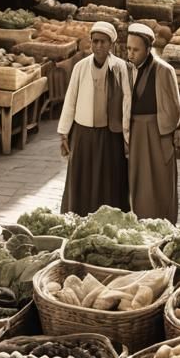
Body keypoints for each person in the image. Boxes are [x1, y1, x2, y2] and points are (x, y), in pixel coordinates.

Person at [58, 20, 131, 215]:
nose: (98, 46)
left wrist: (127, 136)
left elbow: (127, 103)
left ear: (111, 44)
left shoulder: (121, 68)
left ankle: (109, 217)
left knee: (110, 179)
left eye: (103, 42)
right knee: (81, 177)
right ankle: (78, 215)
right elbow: (71, 99)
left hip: (110, 134)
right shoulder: (80, 67)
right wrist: (64, 133)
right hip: (83, 134)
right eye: (95, 41)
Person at [125, 22, 180, 222]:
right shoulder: (127, 69)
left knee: (160, 183)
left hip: (158, 133)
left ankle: (162, 223)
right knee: (138, 182)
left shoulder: (163, 70)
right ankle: (140, 222)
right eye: (128, 49)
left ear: (148, 49)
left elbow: (175, 108)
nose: (130, 54)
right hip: (136, 133)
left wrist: (173, 135)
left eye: (135, 50)